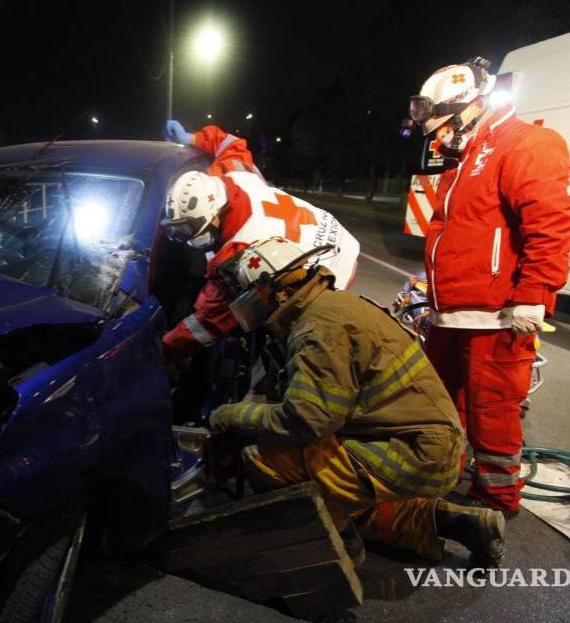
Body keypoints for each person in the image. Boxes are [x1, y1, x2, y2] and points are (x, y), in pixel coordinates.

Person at [209, 237, 506, 567]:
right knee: (341, 477)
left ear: (280, 291)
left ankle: (338, 545)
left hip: (413, 452)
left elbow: (308, 420)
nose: (255, 309)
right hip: (426, 446)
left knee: (269, 458)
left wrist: (232, 415)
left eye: (256, 299)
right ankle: (461, 522)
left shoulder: (317, 328)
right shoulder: (332, 307)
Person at [407, 57, 570, 512]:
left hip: (496, 314)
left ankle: (496, 499)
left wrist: (533, 296)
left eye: (442, 123)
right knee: (440, 400)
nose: (437, 135)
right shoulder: (463, 158)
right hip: (453, 312)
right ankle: (451, 469)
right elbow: (463, 232)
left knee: (493, 409)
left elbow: (550, 226)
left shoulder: (526, 145)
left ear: (471, 105)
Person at [160, 120, 360, 363]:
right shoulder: (234, 173)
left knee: (287, 335)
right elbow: (229, 142)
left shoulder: (239, 253)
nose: (191, 238)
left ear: (214, 217)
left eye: (192, 229)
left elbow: (210, 321)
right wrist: (191, 138)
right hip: (335, 234)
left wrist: (165, 349)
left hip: (333, 273)